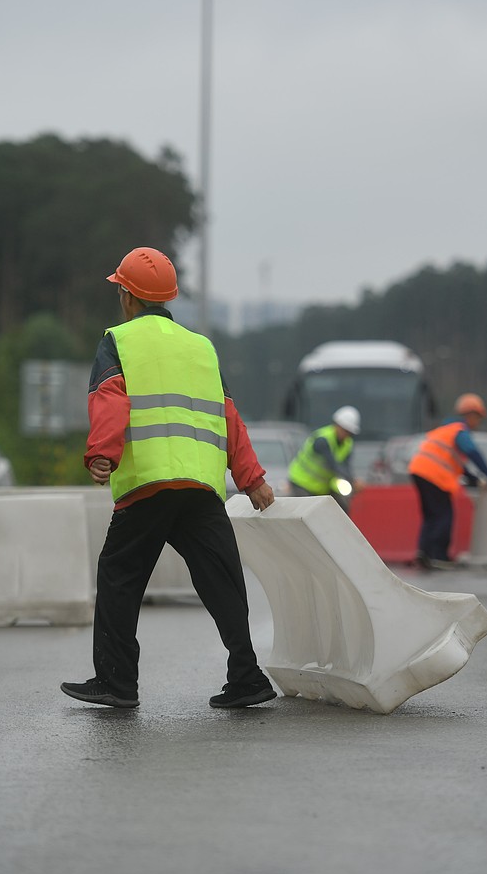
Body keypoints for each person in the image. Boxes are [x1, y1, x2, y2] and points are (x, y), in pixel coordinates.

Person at [61, 247, 277, 710]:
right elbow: (228, 415)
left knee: (119, 576)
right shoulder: (201, 347)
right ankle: (247, 676)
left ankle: (117, 682)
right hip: (200, 487)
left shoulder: (118, 340)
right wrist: (252, 477)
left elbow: (109, 398)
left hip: (148, 484)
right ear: (168, 298)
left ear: (127, 296)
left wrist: (102, 454)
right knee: (222, 579)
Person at [408, 393, 487, 569]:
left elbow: (457, 464)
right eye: (477, 418)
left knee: (431, 515)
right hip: (434, 476)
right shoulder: (460, 431)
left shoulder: (445, 430)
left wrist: (473, 479)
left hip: (418, 470)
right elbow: (472, 452)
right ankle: (439, 556)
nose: (477, 422)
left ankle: (423, 553)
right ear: (470, 415)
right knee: (444, 515)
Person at [287, 405, 362, 509]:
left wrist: (352, 480)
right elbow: (333, 465)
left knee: (341, 507)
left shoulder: (348, 444)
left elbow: (346, 466)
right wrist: (353, 480)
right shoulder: (322, 439)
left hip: (322, 486)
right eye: (345, 430)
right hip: (302, 483)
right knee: (305, 512)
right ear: (337, 425)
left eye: (349, 432)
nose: (346, 434)